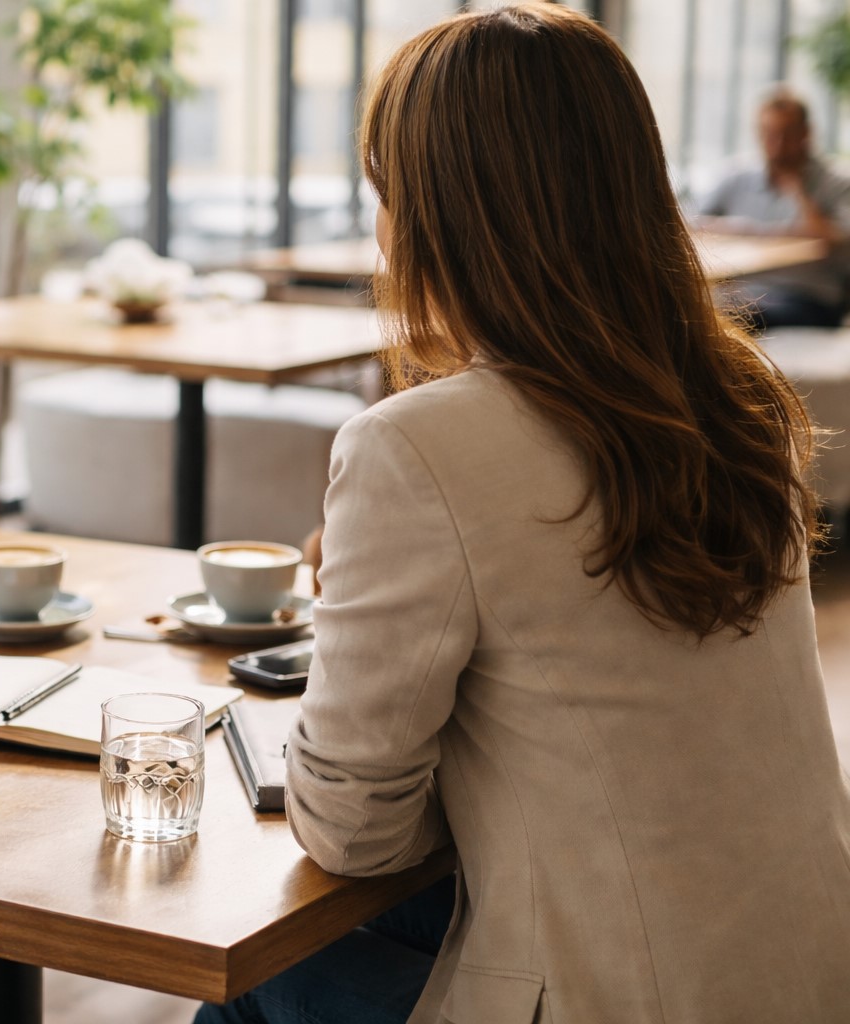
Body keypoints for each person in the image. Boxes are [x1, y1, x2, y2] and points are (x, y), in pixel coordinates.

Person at [199, 6, 850, 1024]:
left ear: (439, 217)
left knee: (249, 983)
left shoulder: (418, 447)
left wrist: (356, 629)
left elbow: (350, 832)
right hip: (802, 970)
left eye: (386, 193)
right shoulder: (742, 401)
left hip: (613, 997)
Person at [695, 87, 850, 330]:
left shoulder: (836, 183)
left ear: (806, 133)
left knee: (727, 315)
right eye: (769, 134)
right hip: (747, 290)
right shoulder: (738, 178)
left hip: (809, 296)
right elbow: (691, 223)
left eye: (787, 135)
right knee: (692, 307)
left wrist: (799, 191)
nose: (777, 146)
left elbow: (833, 238)